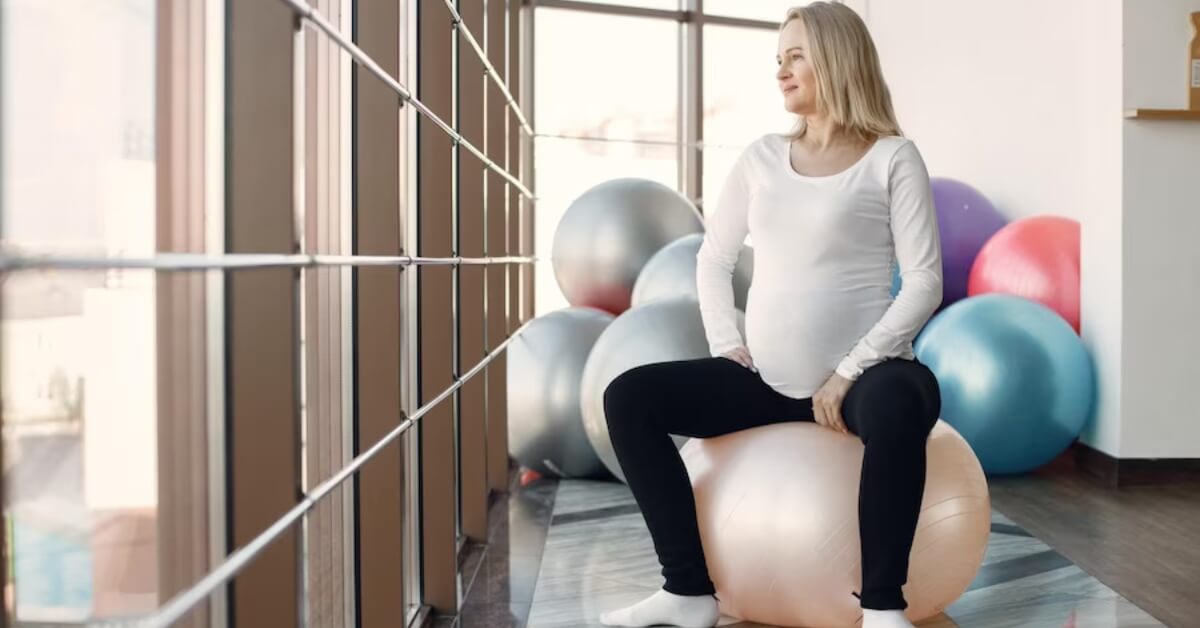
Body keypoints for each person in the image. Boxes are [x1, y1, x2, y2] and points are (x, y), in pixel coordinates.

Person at [598, 3, 944, 628]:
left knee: (907, 397)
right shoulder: (760, 158)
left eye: (795, 56)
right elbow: (714, 257)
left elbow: (924, 282)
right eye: (777, 60)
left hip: (862, 382)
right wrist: (726, 341)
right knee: (629, 397)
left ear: (837, 61)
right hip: (764, 380)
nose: (781, 72)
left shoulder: (893, 157)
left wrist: (850, 370)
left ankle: (884, 608)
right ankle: (687, 590)